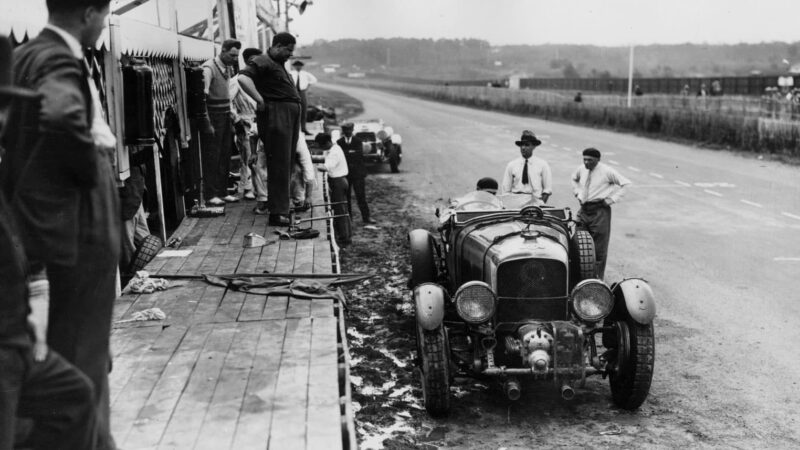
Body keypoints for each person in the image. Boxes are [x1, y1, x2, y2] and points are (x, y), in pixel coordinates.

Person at [0, 1, 120, 448]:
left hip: (48, 220)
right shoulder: (58, 57)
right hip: (84, 214)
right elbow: (59, 115)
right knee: (86, 349)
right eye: (104, 16)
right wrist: (89, 173)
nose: (103, 26)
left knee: (75, 352)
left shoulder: (26, 52)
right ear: (90, 12)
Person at [238, 32, 301, 226]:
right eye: (288, 50)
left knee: (286, 163)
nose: (290, 54)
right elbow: (243, 79)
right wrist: (259, 99)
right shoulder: (262, 60)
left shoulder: (277, 63)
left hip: (287, 115)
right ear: (278, 46)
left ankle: (281, 207)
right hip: (277, 115)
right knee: (279, 164)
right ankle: (277, 213)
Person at [570, 148, 632, 279]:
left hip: (599, 211)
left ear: (598, 160)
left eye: (590, 160)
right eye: (584, 159)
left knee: (598, 249)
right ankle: (578, 278)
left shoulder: (607, 171)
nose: (586, 162)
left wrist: (611, 199)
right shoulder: (581, 169)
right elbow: (574, 179)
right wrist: (577, 192)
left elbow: (626, 184)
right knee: (578, 244)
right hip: (584, 209)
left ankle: (596, 281)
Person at [201, 39, 241, 206]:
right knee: (213, 157)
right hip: (213, 116)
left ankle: (223, 192)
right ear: (222, 51)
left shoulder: (228, 68)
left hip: (225, 116)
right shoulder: (209, 68)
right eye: (231, 55)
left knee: (225, 155)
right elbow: (202, 98)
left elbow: (226, 94)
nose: (234, 58)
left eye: (236, 56)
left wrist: (231, 113)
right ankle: (210, 195)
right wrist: (207, 123)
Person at [230, 47, 261, 202]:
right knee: (247, 155)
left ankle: (257, 187)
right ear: (247, 60)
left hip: (259, 121)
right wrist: (236, 120)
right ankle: (247, 187)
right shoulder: (236, 80)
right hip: (245, 121)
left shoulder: (259, 79)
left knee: (259, 155)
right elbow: (227, 102)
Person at [337, 122, 377, 224]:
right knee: (347, 197)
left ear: (352, 130)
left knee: (361, 196)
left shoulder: (358, 141)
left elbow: (359, 155)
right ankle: (349, 219)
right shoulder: (339, 142)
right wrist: (351, 153)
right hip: (346, 174)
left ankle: (366, 217)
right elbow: (341, 156)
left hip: (358, 174)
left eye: (349, 130)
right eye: (346, 130)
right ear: (343, 131)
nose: (348, 132)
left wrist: (347, 153)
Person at [315, 132, 351, 244]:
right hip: (340, 181)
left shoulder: (334, 153)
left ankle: (345, 237)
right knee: (342, 209)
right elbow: (325, 159)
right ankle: (345, 234)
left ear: (327, 143)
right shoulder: (334, 149)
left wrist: (313, 167)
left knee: (340, 210)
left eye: (322, 146)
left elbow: (326, 167)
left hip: (338, 182)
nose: (321, 148)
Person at [500, 130, 552, 205]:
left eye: (527, 145)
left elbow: (547, 189)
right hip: (515, 202)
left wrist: (541, 204)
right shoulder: (512, 165)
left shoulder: (543, 165)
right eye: (522, 145)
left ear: (533, 146)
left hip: (535, 202)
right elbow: (505, 190)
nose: (523, 148)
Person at [290, 59, 317, 135]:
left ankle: (303, 128)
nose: (298, 67)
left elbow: (314, 80)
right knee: (293, 110)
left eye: (299, 66)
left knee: (303, 110)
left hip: (302, 92)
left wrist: (307, 86)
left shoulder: (305, 74)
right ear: (294, 66)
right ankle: (293, 129)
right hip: (293, 92)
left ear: (301, 66)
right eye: (296, 66)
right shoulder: (291, 73)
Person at [291, 131, 316, 211]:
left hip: (294, 163)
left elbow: (308, 169)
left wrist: (308, 197)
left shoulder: (299, 141)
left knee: (297, 169)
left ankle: (299, 200)